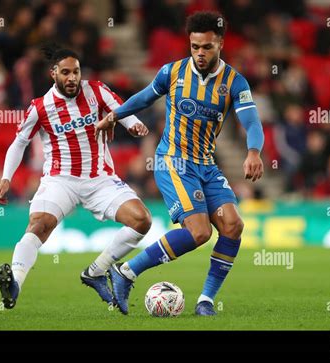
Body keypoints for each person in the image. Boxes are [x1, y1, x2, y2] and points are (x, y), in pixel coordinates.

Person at [96, 11, 264, 316]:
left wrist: (253, 152)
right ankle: (126, 273)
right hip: (173, 161)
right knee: (200, 232)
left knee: (232, 226)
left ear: (220, 44)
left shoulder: (234, 82)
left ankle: (205, 302)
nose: (200, 53)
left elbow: (252, 121)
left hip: (206, 165)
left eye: (207, 47)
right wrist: (113, 115)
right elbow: (145, 97)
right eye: (195, 47)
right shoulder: (172, 72)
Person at [0, 45, 151, 309]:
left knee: (142, 220)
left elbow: (121, 110)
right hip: (60, 180)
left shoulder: (97, 90)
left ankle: (97, 270)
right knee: (39, 225)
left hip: (99, 178)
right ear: (53, 74)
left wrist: (132, 124)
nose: (72, 78)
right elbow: (19, 143)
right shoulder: (40, 107)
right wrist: (6, 178)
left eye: (76, 72)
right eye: (65, 72)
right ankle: (15, 285)